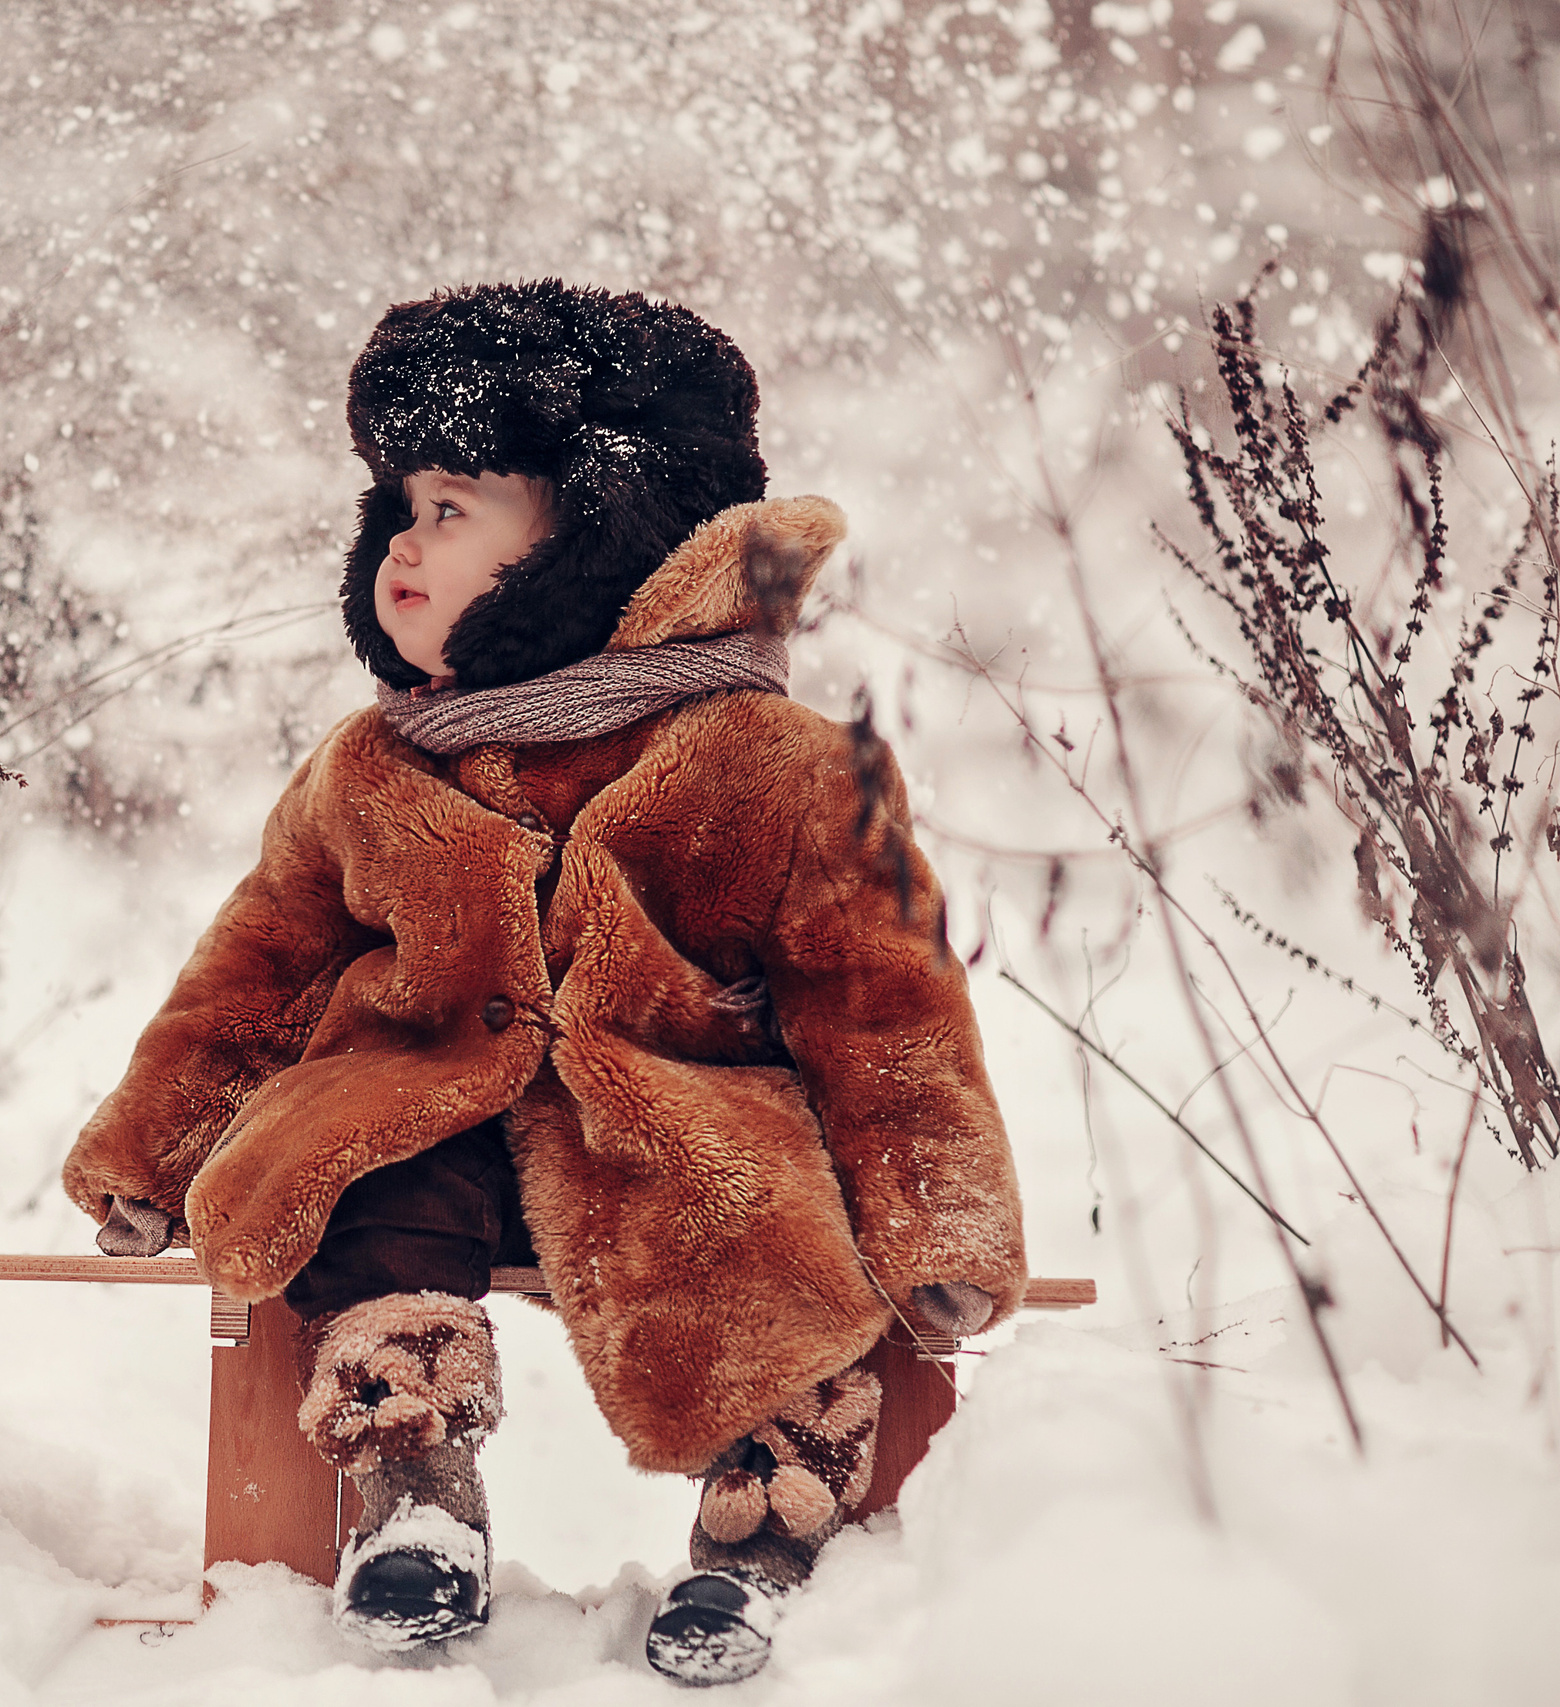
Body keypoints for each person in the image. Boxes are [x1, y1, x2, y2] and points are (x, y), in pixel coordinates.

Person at [62, 280, 1026, 1686]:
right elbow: (257, 971)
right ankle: (413, 1487)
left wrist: (942, 1224)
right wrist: (154, 1149)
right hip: (428, 1116)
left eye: (452, 509)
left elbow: (887, 1011)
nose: (404, 545)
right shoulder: (372, 766)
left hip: (680, 1131)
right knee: (357, 1173)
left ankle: (762, 1524)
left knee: (770, 1236)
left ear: (591, 533)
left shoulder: (775, 764)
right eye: (398, 511)